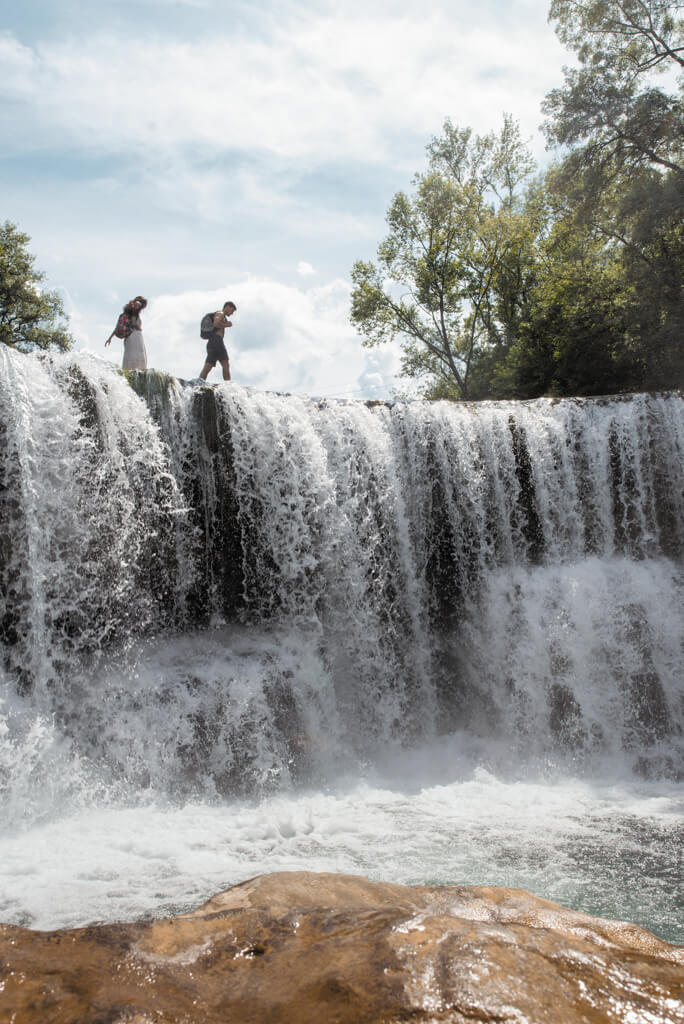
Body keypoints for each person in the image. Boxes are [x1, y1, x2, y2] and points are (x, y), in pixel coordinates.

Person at [105, 296, 148, 370]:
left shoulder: (130, 313)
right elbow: (120, 326)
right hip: (134, 337)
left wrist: (110, 338)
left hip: (133, 338)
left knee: (133, 356)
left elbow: (117, 327)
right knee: (136, 357)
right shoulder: (133, 311)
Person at [199, 301, 236, 381]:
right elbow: (216, 324)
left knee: (208, 367)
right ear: (228, 307)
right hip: (217, 342)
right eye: (232, 310)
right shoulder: (220, 313)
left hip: (212, 343)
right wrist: (227, 325)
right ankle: (228, 386)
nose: (232, 313)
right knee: (226, 365)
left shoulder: (222, 315)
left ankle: (199, 383)